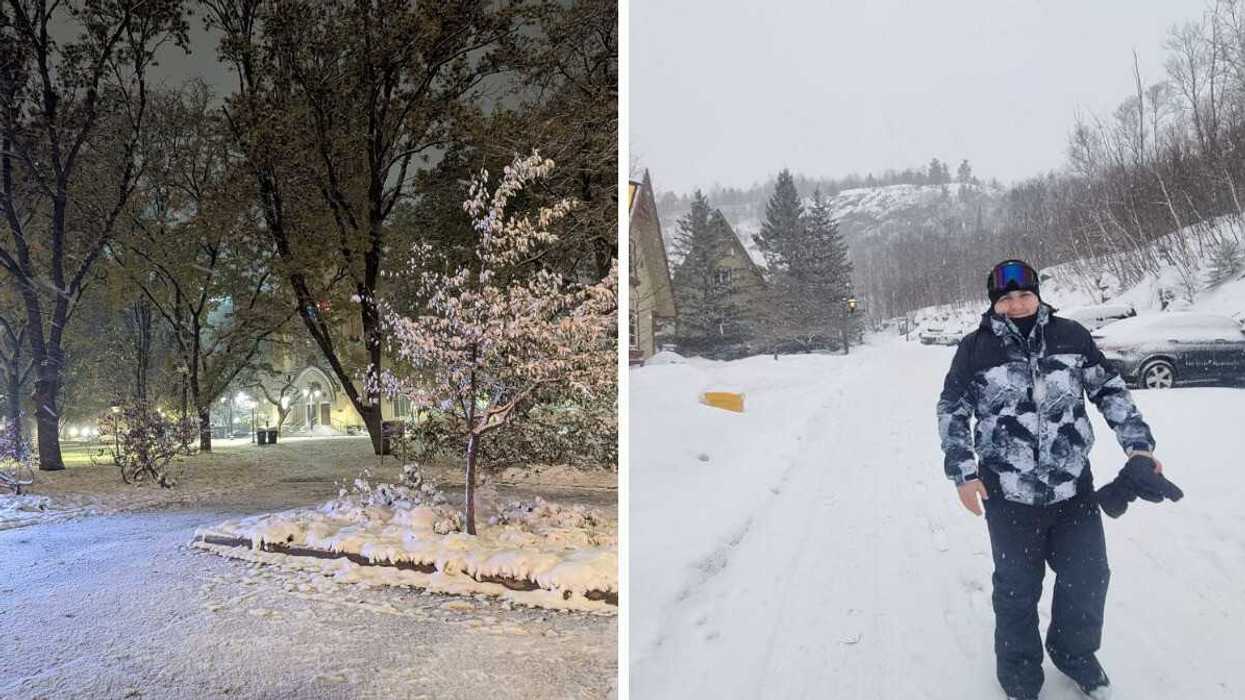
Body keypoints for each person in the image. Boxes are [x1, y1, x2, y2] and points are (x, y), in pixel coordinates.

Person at [936, 259, 1165, 700]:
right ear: (994, 304)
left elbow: (1109, 390)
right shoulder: (975, 349)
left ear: (1037, 295)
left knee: (1089, 575)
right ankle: (1020, 674)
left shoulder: (1071, 337)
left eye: (1024, 295)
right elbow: (952, 410)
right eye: (1006, 298)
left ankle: (1075, 653)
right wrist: (963, 472)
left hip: (1072, 488)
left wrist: (1139, 446)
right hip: (1008, 494)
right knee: (1018, 589)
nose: (1017, 304)